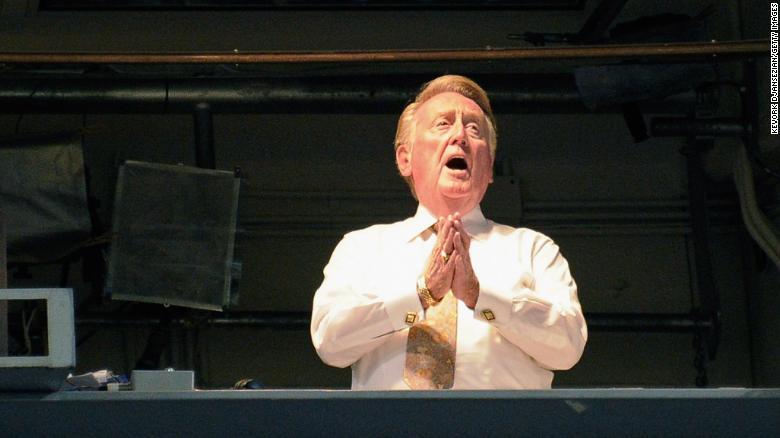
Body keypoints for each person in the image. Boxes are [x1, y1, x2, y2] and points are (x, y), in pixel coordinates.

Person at [310, 75, 587, 390]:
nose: (460, 136)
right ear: (405, 159)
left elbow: (568, 347)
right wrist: (421, 294)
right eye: (443, 125)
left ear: (490, 165)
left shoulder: (533, 249)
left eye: (473, 129)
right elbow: (329, 343)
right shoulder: (362, 248)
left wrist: (480, 296)